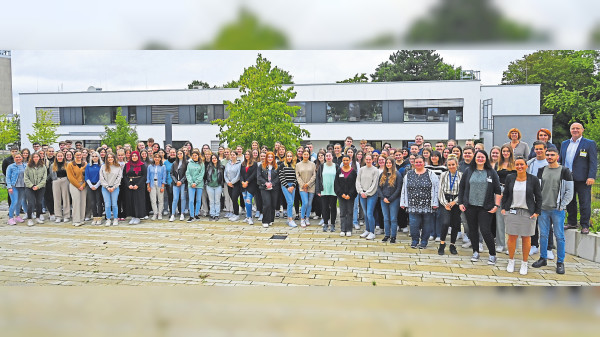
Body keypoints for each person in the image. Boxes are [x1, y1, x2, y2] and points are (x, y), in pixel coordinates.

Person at [532, 147, 574, 274]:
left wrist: (562, 205)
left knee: (559, 236)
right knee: (543, 235)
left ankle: (560, 262)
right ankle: (543, 258)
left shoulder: (565, 171)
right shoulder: (541, 170)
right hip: (543, 209)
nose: (549, 157)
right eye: (548, 154)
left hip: (557, 210)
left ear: (557, 157)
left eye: (552, 155)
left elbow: (569, 191)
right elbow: (537, 190)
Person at [458, 150, 502, 265]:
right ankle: (475, 252)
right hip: (470, 206)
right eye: (478, 157)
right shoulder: (468, 171)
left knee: (485, 230)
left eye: (482, 157)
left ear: (486, 159)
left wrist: (496, 205)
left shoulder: (491, 172)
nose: (480, 159)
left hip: (485, 207)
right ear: (475, 158)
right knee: (472, 230)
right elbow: (462, 188)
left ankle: (492, 254)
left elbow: (498, 190)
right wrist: (461, 202)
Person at [501, 157, 542, 275]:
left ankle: (524, 263)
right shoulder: (510, 178)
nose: (519, 166)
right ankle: (511, 261)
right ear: (514, 166)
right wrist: (504, 209)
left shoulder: (533, 180)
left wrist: (537, 212)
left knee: (526, 238)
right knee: (512, 238)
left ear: (526, 166)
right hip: (512, 211)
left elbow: (538, 197)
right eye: (517, 164)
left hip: (527, 212)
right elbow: (506, 194)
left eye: (522, 164)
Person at [560, 122, 597, 234]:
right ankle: (572, 222)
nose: (575, 130)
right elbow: (561, 160)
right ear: (570, 130)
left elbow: (593, 162)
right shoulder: (565, 143)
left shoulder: (589, 143)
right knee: (570, 201)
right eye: (573, 128)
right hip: (567, 177)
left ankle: (585, 225)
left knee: (584, 202)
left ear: (582, 130)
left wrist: (591, 176)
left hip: (583, 178)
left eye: (578, 128)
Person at [400, 156, 439, 248]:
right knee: (413, 224)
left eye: (420, 162)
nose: (418, 164)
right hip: (412, 204)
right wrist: (403, 202)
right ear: (413, 163)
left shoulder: (431, 174)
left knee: (427, 224)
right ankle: (415, 240)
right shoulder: (409, 174)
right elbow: (404, 189)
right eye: (416, 162)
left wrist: (435, 203)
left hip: (427, 204)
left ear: (424, 162)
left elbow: (436, 188)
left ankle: (424, 241)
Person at [437, 155, 462, 255]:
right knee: (445, 223)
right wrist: (445, 203)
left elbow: (463, 191)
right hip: (445, 201)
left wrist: (454, 202)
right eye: (449, 165)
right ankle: (442, 244)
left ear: (457, 165)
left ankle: (452, 244)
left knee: (456, 224)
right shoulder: (443, 175)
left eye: (453, 164)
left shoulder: (461, 175)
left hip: (456, 201)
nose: (451, 166)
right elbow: (440, 190)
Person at [495, 144, 516, 254]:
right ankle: (500, 244)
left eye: (507, 151)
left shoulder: (515, 165)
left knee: (511, 220)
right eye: (503, 151)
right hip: (499, 192)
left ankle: (510, 245)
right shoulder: (498, 165)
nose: (505, 153)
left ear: (511, 152)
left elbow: (517, 180)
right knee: (499, 219)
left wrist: (507, 192)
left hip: (511, 193)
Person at [377, 157, 402, 243]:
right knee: (386, 218)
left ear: (393, 164)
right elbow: (379, 188)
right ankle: (387, 235)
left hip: (394, 200)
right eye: (387, 163)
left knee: (393, 218)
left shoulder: (397, 174)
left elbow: (399, 189)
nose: (388, 164)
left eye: (390, 163)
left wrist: (390, 199)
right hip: (384, 199)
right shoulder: (383, 174)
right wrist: (383, 197)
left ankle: (393, 236)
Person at [356, 154, 380, 240]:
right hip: (362, 193)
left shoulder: (375, 170)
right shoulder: (361, 169)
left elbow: (375, 184)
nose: (368, 161)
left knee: (370, 213)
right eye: (367, 159)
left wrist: (367, 193)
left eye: (370, 159)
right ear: (365, 160)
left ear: (372, 160)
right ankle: (367, 230)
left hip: (372, 194)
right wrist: (361, 192)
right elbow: (358, 181)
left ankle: (372, 232)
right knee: (366, 213)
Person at [335, 155, 358, 237]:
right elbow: (336, 184)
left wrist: (350, 195)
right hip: (341, 196)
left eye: (347, 160)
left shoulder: (353, 172)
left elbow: (355, 185)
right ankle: (343, 229)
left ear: (350, 160)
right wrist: (341, 194)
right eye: (344, 160)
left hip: (350, 196)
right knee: (342, 212)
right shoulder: (339, 171)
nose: (345, 162)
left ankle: (349, 229)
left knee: (350, 212)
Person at [316, 152, 338, 232]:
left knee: (333, 208)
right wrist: (318, 190)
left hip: (333, 190)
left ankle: (332, 224)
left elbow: (339, 179)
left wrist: (338, 190)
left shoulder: (336, 166)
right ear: (325, 157)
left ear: (332, 157)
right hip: (324, 190)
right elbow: (318, 179)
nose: (328, 157)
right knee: (324, 208)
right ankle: (325, 223)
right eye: (327, 156)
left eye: (330, 156)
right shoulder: (322, 166)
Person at [123, 151, 147, 225]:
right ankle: (133, 216)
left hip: (139, 185)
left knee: (138, 201)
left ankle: (138, 217)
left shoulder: (142, 165)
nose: (134, 157)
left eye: (135, 156)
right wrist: (128, 184)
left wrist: (138, 185)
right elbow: (124, 176)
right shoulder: (127, 165)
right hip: (130, 185)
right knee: (131, 201)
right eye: (133, 156)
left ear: (138, 157)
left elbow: (144, 176)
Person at [258, 152, 280, 228]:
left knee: (273, 204)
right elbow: (259, 177)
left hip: (274, 188)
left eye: (271, 157)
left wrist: (272, 183)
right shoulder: (261, 166)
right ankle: (265, 221)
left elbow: (278, 177)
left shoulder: (277, 167)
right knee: (267, 204)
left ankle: (271, 219)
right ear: (266, 158)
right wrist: (266, 183)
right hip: (264, 188)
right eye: (268, 157)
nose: (270, 158)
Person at [100, 153, 123, 226]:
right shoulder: (103, 167)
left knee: (114, 204)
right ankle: (108, 219)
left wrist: (113, 187)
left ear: (114, 158)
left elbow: (119, 178)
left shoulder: (118, 167)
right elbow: (101, 178)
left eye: (111, 157)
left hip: (115, 188)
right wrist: (107, 187)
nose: (110, 158)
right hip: (105, 188)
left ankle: (115, 219)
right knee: (107, 204)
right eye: (108, 157)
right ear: (106, 158)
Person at [296, 148, 316, 227]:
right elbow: (297, 176)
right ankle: (302, 219)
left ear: (309, 155)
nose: (306, 155)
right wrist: (303, 185)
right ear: (302, 155)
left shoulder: (312, 164)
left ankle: (307, 217)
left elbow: (314, 175)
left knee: (310, 203)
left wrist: (308, 184)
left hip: (311, 186)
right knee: (305, 202)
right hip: (302, 187)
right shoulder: (298, 165)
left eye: (307, 154)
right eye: (304, 154)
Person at [67, 151, 87, 227]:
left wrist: (84, 185)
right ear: (74, 155)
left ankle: (81, 219)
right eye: (77, 155)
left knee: (83, 202)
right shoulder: (70, 165)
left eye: (80, 155)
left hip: (84, 185)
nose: (79, 156)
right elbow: (70, 177)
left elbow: (87, 176)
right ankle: (76, 220)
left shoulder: (85, 164)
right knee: (76, 202)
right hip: (74, 185)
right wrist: (78, 186)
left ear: (82, 155)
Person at [6, 153, 27, 225]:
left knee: (19, 202)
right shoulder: (11, 167)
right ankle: (10, 218)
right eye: (16, 157)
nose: (18, 158)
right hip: (13, 186)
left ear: (22, 158)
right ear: (14, 158)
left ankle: (17, 216)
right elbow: (7, 177)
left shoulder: (25, 166)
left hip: (22, 186)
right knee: (14, 202)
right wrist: (9, 187)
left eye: (19, 157)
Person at [279, 151, 298, 227]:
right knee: (290, 202)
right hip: (285, 185)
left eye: (290, 156)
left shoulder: (295, 166)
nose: (289, 157)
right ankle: (290, 219)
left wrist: (293, 186)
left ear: (292, 157)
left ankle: (288, 219)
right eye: (288, 156)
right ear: (286, 157)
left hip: (293, 186)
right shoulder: (282, 165)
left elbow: (297, 176)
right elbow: (281, 176)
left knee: (290, 202)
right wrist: (287, 187)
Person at [185, 150, 205, 222]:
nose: (194, 157)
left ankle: (196, 214)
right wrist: (191, 182)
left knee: (198, 200)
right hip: (191, 185)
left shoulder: (201, 164)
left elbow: (201, 174)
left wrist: (196, 183)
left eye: (195, 155)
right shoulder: (189, 164)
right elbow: (187, 173)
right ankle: (191, 216)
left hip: (199, 184)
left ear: (198, 156)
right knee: (191, 200)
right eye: (193, 155)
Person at [147, 153, 167, 221]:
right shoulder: (150, 166)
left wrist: (162, 186)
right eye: (155, 157)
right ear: (153, 158)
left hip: (160, 183)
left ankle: (159, 213)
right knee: (153, 200)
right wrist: (148, 185)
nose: (157, 159)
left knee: (160, 199)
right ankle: (155, 213)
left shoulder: (163, 166)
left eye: (158, 157)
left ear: (160, 158)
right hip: (152, 183)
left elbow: (164, 177)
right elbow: (148, 176)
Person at [84, 152, 103, 225]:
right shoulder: (88, 165)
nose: (94, 157)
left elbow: (102, 176)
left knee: (99, 202)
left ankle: (99, 218)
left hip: (99, 185)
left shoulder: (101, 165)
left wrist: (96, 186)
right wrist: (91, 185)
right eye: (93, 156)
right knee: (92, 202)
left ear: (98, 157)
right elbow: (86, 176)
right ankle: (95, 217)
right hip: (90, 185)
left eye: (96, 156)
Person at [169, 150, 188, 222]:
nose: (179, 155)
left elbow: (187, 173)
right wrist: (176, 181)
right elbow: (171, 173)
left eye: (181, 153)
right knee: (175, 198)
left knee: (183, 198)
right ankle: (173, 215)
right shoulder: (174, 163)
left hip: (183, 183)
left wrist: (181, 181)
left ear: (183, 154)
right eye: (178, 154)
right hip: (175, 184)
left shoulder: (186, 163)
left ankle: (182, 213)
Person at [204, 154, 224, 221]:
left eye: (215, 158)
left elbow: (222, 177)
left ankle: (217, 214)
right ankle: (212, 214)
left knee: (217, 201)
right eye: (212, 158)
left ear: (217, 159)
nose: (214, 159)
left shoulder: (221, 167)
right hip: (210, 186)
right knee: (211, 201)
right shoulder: (208, 167)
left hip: (218, 186)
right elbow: (206, 176)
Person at [240, 150, 257, 225]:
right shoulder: (243, 164)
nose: (247, 155)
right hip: (243, 185)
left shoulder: (254, 164)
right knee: (245, 201)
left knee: (248, 200)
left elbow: (254, 174)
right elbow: (240, 174)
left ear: (250, 155)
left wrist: (247, 182)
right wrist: (242, 182)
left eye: (248, 154)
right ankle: (247, 216)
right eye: (245, 154)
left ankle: (250, 217)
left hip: (251, 185)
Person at [224, 150, 242, 222]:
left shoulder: (239, 164)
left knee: (234, 198)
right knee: (232, 199)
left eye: (234, 155)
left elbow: (238, 175)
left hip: (236, 184)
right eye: (231, 155)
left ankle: (236, 214)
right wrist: (228, 182)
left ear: (236, 156)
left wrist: (232, 182)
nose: (232, 156)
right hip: (229, 184)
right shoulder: (228, 164)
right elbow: (225, 174)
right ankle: (234, 213)